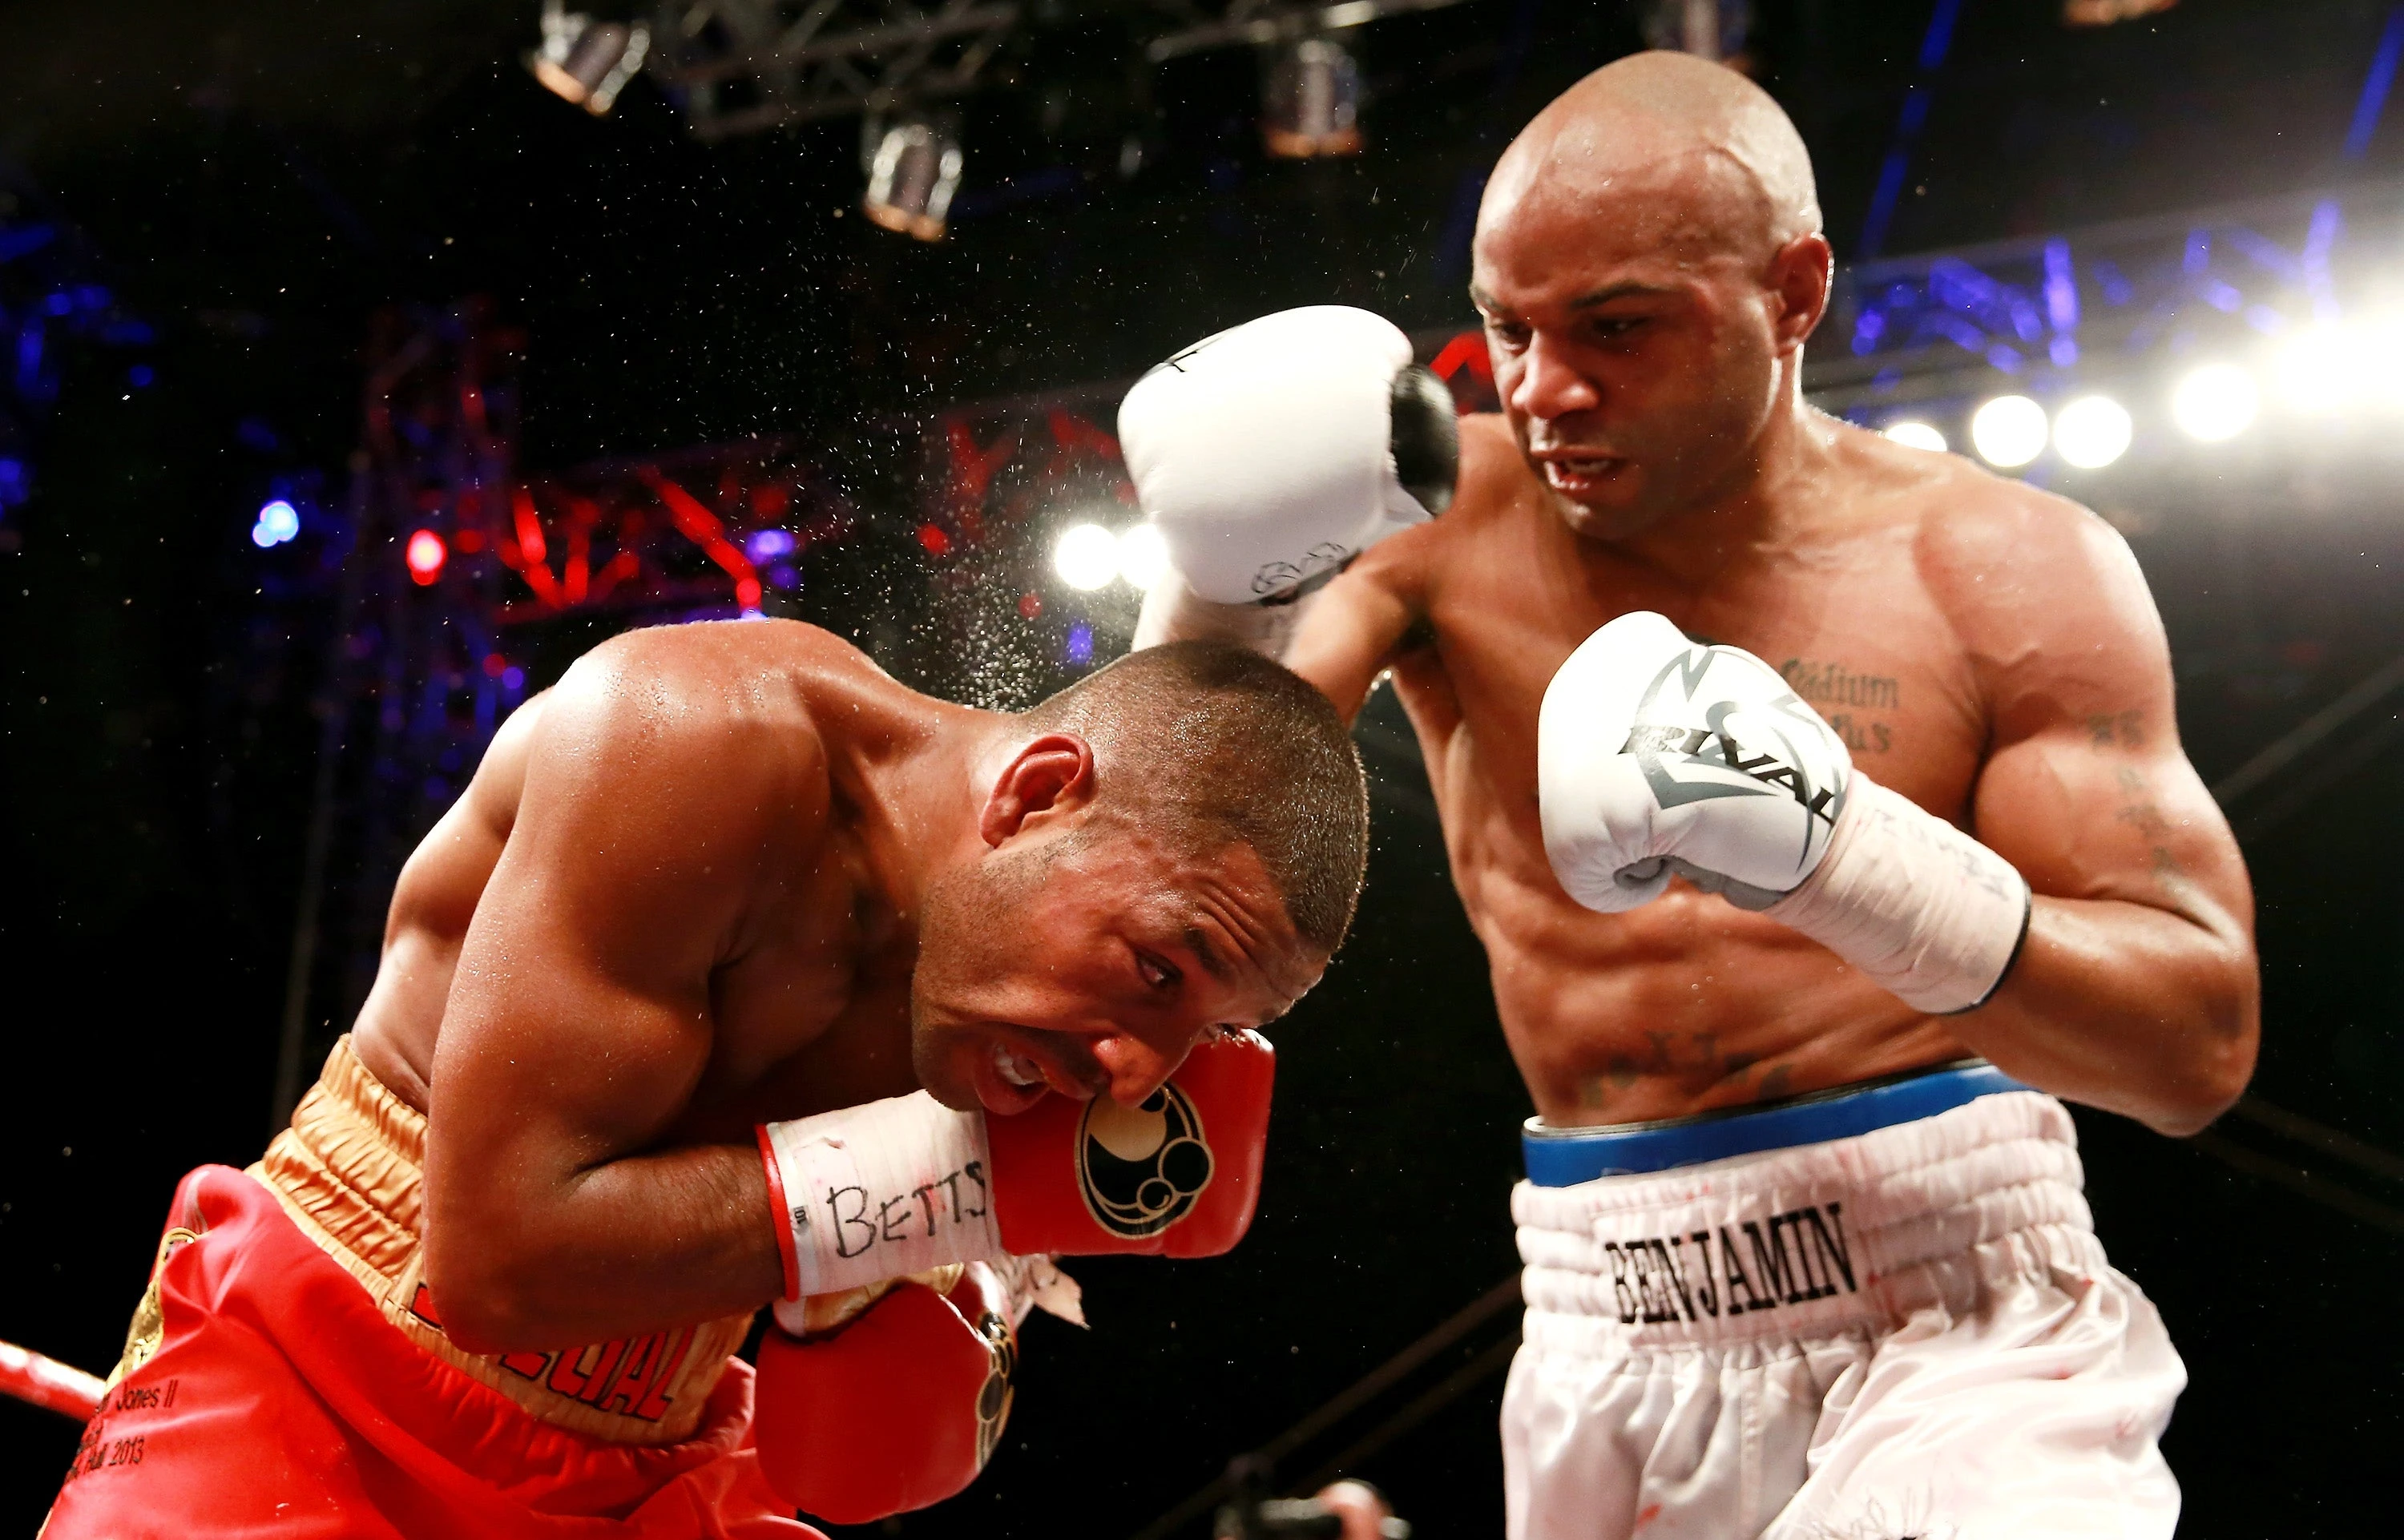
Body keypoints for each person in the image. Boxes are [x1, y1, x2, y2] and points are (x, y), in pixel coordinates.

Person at [1117, 50, 2258, 1540]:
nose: (1541, 389)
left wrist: (1842, 852)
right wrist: (1206, 589)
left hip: (1959, 1310)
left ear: (1795, 292)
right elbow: (1157, 852)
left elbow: (2197, 1046)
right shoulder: (1435, 527)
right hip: (1609, 1310)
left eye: (1617, 327)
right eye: (1503, 328)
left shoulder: (2006, 567)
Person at [42, 623, 1368, 1538]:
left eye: (1210, 1024)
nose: (1144, 1065)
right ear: (1033, 796)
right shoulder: (699, 743)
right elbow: (499, 1259)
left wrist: (911, 1282)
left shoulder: (1025, 1006)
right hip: (329, 1376)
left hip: (653, 1461)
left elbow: (863, 1455)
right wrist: (940, 1190)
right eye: (1160, 970)